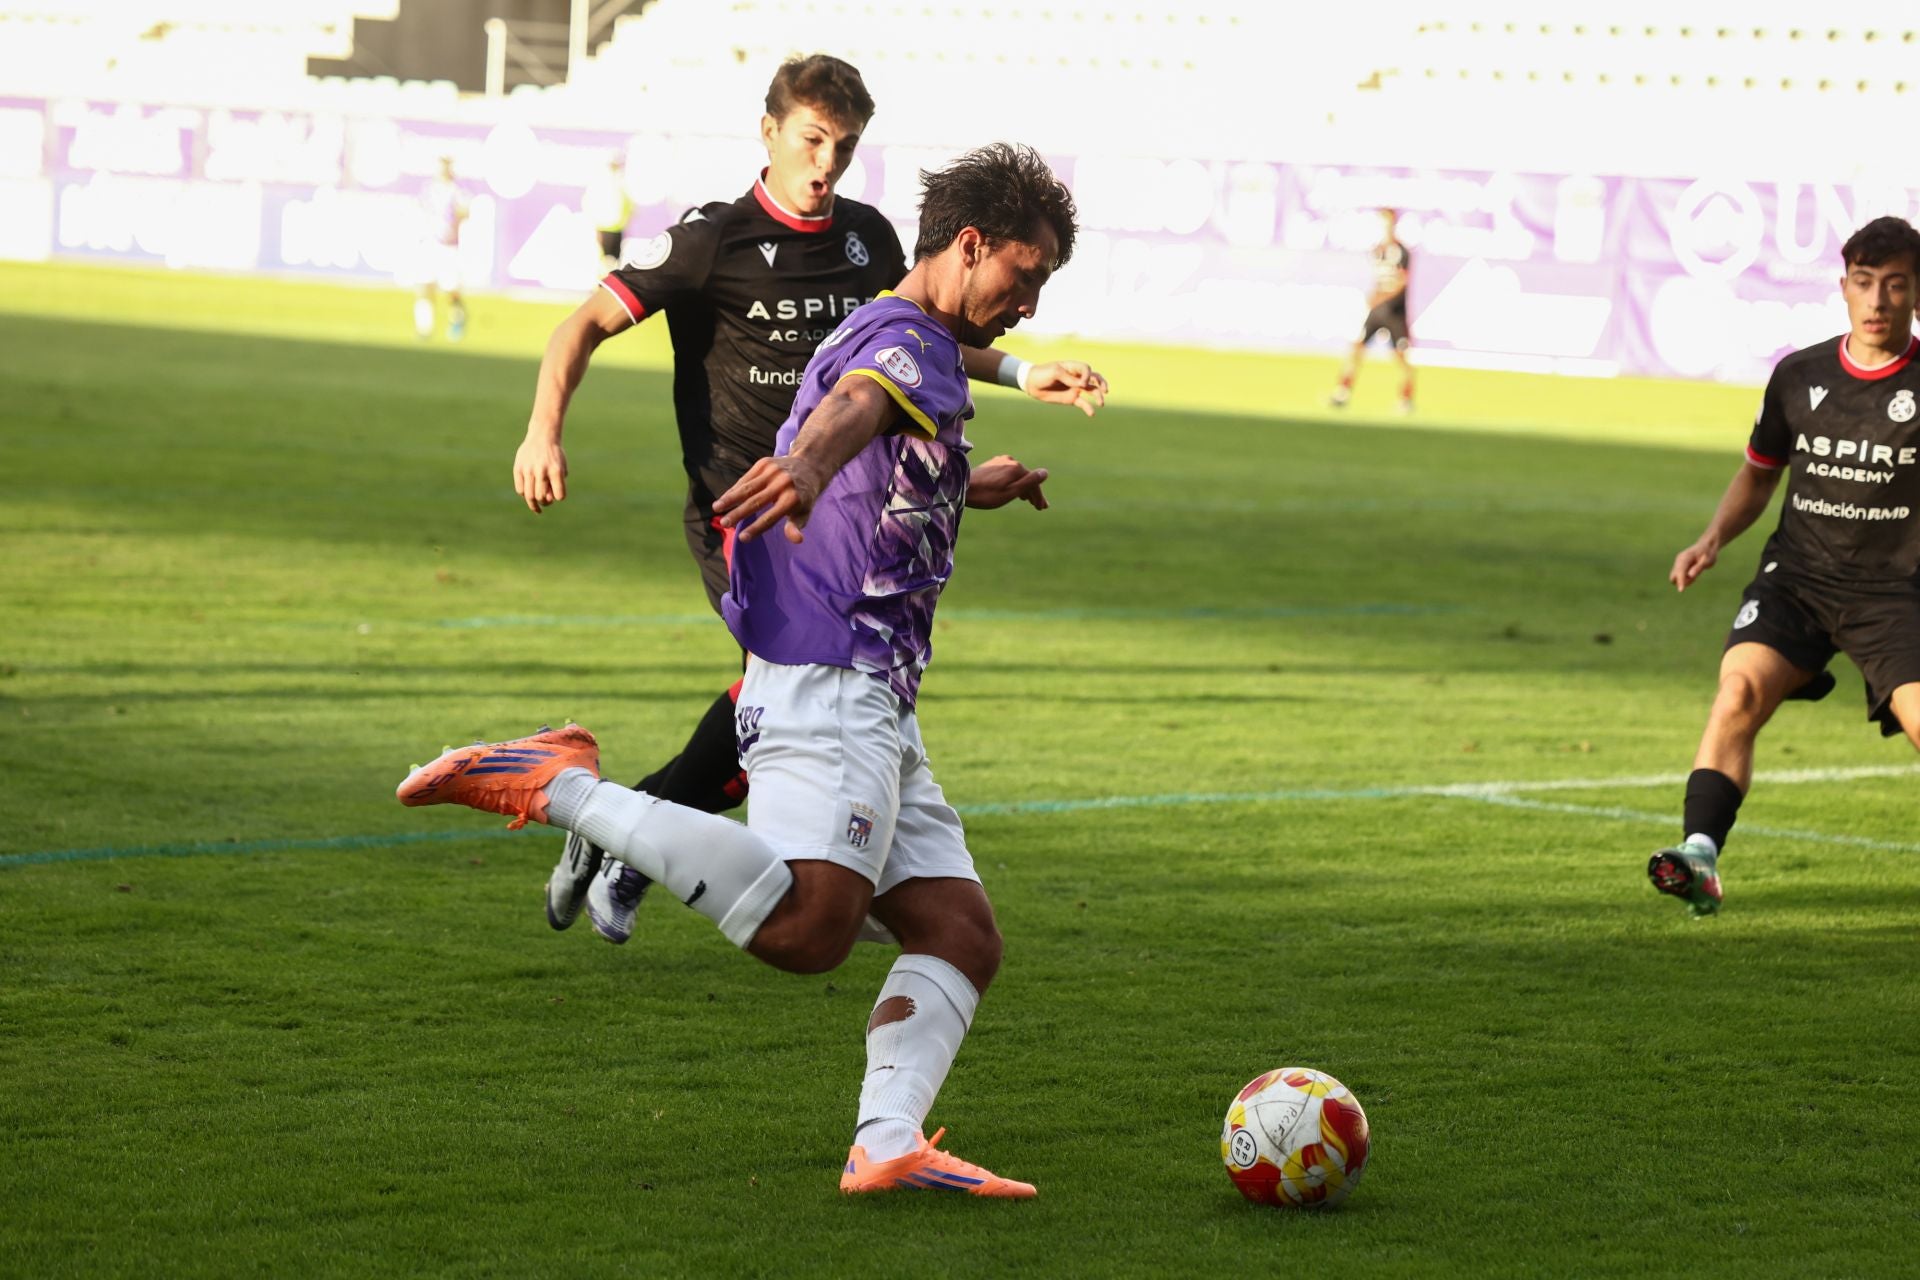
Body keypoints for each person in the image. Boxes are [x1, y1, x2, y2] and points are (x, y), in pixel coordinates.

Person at [402, 141, 1078, 1197]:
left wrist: (960, 485)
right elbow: (855, 410)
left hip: (868, 687)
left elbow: (880, 441)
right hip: (832, 672)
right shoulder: (907, 339)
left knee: (959, 931)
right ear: (972, 244)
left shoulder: (902, 331)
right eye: (1024, 275)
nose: (1029, 302)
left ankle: (886, 1140)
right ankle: (558, 782)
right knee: (812, 927)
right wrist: (806, 466)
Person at [509, 54, 1108, 944]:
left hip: (841, 507)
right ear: (771, 133)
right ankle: (617, 826)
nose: (827, 161)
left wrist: (1016, 379)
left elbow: (918, 348)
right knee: (783, 693)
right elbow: (582, 325)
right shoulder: (716, 241)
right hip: (748, 506)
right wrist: (541, 431)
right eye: (812, 138)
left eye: (846, 143)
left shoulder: (866, 241)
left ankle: (628, 829)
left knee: (778, 699)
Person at [1650, 214, 1920, 917]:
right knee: (1737, 691)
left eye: (1895, 285)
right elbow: (1760, 473)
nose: (1878, 301)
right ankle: (1700, 856)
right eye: (1865, 283)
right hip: (1797, 579)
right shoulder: (1799, 375)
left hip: (1894, 593)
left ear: (1916, 294)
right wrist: (1712, 538)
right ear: (1843, 287)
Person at [1327, 207, 1413, 414]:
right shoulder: (1377, 250)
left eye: (1387, 222)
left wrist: (1381, 297)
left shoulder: (1400, 251)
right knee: (1356, 349)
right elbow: (1379, 280)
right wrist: (1373, 296)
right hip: (1376, 311)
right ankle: (1342, 392)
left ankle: (1405, 399)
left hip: (1394, 312)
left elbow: (1402, 281)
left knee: (1401, 357)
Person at [414, 156, 470, 342]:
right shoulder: (429, 190)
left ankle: (457, 319)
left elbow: (465, 213)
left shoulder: (457, 191)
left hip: (449, 247)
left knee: (450, 290)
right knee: (425, 286)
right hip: (430, 245)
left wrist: (455, 219)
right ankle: (424, 329)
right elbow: (420, 211)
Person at [583, 154, 634, 275]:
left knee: (613, 260)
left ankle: (606, 285)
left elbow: (627, 205)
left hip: (616, 227)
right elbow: (590, 204)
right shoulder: (602, 183)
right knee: (606, 260)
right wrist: (595, 225)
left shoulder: (620, 183)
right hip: (604, 227)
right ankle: (602, 286)